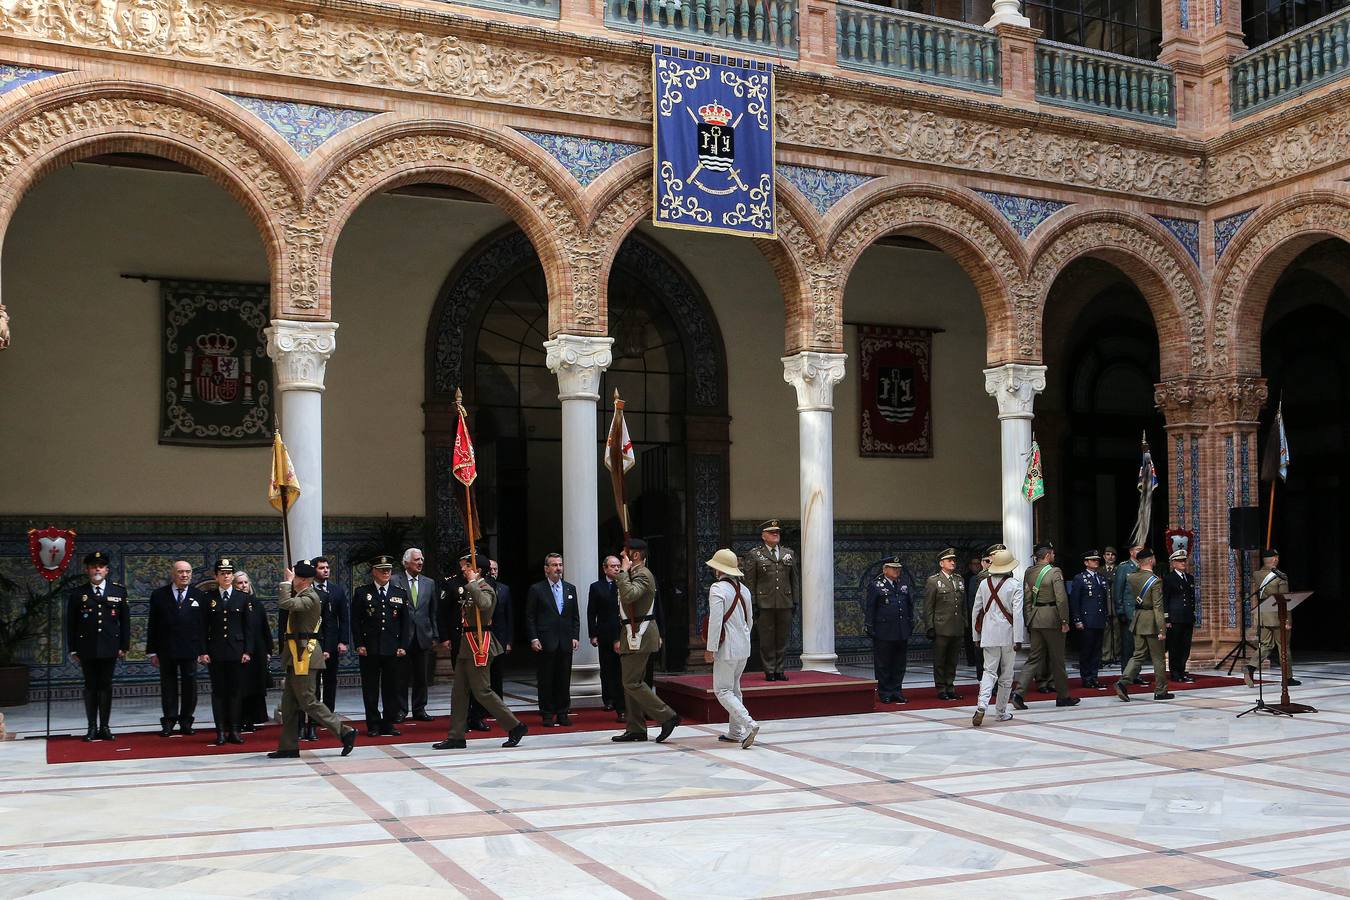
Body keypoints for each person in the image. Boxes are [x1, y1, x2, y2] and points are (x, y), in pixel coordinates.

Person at [432, 557, 527, 750]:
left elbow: (484, 605)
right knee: (459, 692)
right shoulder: (470, 587)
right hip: (466, 644)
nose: (464, 569)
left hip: (480, 645)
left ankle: (515, 726)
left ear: (479, 571)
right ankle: (456, 735)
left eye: (468, 566)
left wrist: (473, 582)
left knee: (482, 691)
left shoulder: (486, 588)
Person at [268, 559, 357, 759]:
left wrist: (285, 583)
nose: (293, 580)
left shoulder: (311, 597)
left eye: (296, 578)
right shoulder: (302, 594)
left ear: (304, 580)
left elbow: (286, 603)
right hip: (295, 655)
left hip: (305, 655)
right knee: (289, 704)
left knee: (308, 700)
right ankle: (288, 746)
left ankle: (345, 731)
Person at [612, 539, 681, 742]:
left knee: (631, 682)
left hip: (641, 633)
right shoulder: (634, 574)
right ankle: (636, 728)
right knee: (631, 683)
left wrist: (623, 572)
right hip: (631, 632)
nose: (621, 557)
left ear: (635, 555)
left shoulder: (643, 574)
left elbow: (629, 595)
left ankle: (667, 715)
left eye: (624, 553)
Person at [66, 551, 129, 741]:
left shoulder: (118, 591)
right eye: (93, 567)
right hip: (86, 647)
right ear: (87, 570)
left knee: (106, 686)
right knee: (90, 686)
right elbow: (71, 624)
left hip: (110, 647)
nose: (97, 570)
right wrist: (73, 648)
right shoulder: (78, 593)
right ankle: (92, 727)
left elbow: (125, 622)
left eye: (101, 566)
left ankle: (105, 727)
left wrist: (124, 646)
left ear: (107, 570)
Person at [704, 549, 759, 749]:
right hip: (743, 646)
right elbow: (749, 621)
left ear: (719, 569)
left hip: (726, 647)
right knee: (734, 688)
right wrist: (743, 638)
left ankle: (749, 724)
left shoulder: (717, 588)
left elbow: (715, 622)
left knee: (723, 690)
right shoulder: (744, 589)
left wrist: (710, 648)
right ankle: (735, 732)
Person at [1013, 543, 1079, 709]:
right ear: (1048, 555)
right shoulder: (1054, 571)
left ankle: (1018, 693)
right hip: (1052, 618)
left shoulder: (1029, 572)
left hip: (1036, 618)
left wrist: (1029, 619)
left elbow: (1027, 598)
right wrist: (1064, 621)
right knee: (1057, 659)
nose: (1054, 556)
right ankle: (1063, 696)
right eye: (1053, 554)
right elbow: (1061, 598)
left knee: (1033, 658)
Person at [292, 556, 350, 741]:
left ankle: (327, 718)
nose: (326, 570)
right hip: (311, 644)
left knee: (330, 682)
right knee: (312, 686)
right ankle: (308, 723)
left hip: (331, 644)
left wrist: (343, 641)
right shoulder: (306, 592)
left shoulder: (336, 591)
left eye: (327, 567)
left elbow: (343, 618)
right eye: (321, 568)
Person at [352, 555, 411, 736]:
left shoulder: (399, 593)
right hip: (370, 648)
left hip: (392, 648)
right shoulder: (362, 593)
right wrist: (359, 644)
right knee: (370, 689)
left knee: (391, 688)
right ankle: (373, 724)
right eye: (382, 570)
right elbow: (355, 621)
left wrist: (403, 645)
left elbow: (405, 623)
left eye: (388, 570)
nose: (386, 573)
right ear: (374, 572)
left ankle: (388, 723)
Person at [146, 559, 206, 736]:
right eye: (180, 572)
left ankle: (186, 721)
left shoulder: (199, 595)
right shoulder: (159, 595)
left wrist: (203, 650)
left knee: (190, 686)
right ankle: (169, 721)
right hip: (166, 648)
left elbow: (202, 626)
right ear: (173, 574)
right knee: (168, 685)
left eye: (188, 572)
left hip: (190, 649)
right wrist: (152, 651)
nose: (184, 575)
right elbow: (153, 624)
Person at [200, 558, 257, 746]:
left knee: (235, 692)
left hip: (236, 651)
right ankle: (220, 731)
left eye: (229, 573)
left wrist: (248, 651)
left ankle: (234, 730)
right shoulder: (208, 597)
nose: (226, 576)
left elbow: (249, 627)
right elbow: (202, 627)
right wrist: (203, 651)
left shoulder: (243, 598)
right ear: (216, 576)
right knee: (218, 692)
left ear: (233, 576)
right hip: (215, 651)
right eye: (222, 573)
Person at [525, 552, 580, 727]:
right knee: (546, 679)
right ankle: (547, 713)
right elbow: (530, 617)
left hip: (565, 640)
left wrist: (575, 636)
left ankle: (563, 712)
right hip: (545, 641)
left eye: (560, 565)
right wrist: (533, 638)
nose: (558, 568)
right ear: (546, 569)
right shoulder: (537, 589)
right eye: (554, 565)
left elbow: (575, 616)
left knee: (564, 679)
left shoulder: (570, 588)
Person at [741, 519, 799, 681]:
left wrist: (795, 600)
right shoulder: (755, 555)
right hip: (764, 603)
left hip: (785, 602)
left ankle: (780, 669)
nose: (775, 534)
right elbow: (750, 581)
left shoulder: (788, 553)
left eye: (777, 532)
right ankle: (769, 670)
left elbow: (794, 579)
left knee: (782, 638)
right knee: (766, 640)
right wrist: (753, 603)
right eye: (771, 532)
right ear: (763, 536)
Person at [437, 552, 489, 732]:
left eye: (469, 565)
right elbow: (442, 612)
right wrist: (445, 636)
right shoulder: (452, 583)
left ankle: (476, 717)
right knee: (462, 682)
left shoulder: (483, 584)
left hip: (479, 639)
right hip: (459, 638)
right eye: (465, 565)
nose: (465, 568)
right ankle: (463, 718)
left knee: (479, 681)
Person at [971, 547, 1024, 726]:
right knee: (1006, 675)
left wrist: (976, 636)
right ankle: (1000, 712)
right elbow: (1018, 614)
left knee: (989, 671)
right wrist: (1019, 638)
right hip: (1008, 634)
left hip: (988, 634)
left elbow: (976, 611)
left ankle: (981, 705)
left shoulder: (983, 584)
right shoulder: (1015, 585)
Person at [1114, 548, 1174, 702]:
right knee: (1158, 658)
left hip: (1139, 619)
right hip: (1152, 621)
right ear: (1150, 560)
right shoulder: (1155, 580)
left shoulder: (1132, 577)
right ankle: (1161, 690)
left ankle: (1123, 682)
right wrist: (1162, 629)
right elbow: (1158, 607)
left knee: (1138, 655)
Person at [392, 547, 438, 722]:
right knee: (400, 677)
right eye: (417, 559)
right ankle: (401, 710)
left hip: (423, 636)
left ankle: (420, 709)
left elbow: (432, 611)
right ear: (406, 562)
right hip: (402, 637)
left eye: (421, 559)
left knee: (422, 677)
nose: (420, 562)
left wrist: (435, 635)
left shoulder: (429, 583)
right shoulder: (395, 580)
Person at [864, 556, 914, 704]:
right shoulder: (876, 585)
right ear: (885, 569)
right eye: (893, 568)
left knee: (899, 664)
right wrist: (869, 626)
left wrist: (910, 623)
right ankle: (885, 692)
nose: (897, 571)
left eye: (898, 568)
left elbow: (909, 606)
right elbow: (870, 608)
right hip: (884, 631)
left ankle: (897, 691)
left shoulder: (903, 585)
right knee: (883, 664)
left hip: (901, 630)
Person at [1249, 548, 1299, 687]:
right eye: (1277, 558)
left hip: (1263, 615)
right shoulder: (1280, 576)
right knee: (1284, 646)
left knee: (1266, 645)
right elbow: (1284, 600)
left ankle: (1250, 667)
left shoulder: (1257, 574)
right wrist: (1287, 620)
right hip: (1278, 616)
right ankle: (1287, 678)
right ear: (1275, 559)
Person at [232, 570, 273, 732]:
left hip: (258, 650)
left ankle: (252, 719)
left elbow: (264, 628)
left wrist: (268, 650)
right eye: (239, 583)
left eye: (245, 582)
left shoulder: (256, 604)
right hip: (239, 650)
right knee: (241, 686)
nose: (243, 585)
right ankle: (238, 720)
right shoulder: (233, 603)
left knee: (255, 686)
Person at [923, 548, 966, 700]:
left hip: (957, 626)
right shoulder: (934, 581)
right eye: (949, 560)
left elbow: (963, 605)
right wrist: (930, 626)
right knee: (940, 660)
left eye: (954, 560)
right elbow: (928, 606)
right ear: (941, 563)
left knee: (952, 660)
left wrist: (965, 623)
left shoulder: (959, 580)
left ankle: (950, 686)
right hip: (941, 627)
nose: (953, 562)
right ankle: (941, 688)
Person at [588, 555, 625, 722]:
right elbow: (591, 612)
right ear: (605, 568)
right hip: (604, 632)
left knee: (619, 670)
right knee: (606, 668)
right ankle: (608, 699)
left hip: (621, 632)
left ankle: (620, 702)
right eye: (613, 566)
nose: (616, 569)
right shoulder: (596, 587)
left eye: (618, 566)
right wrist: (593, 634)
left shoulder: (623, 585)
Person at [1068, 550, 1109, 689]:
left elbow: (1103, 600)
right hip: (1086, 620)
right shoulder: (1080, 578)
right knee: (1087, 650)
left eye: (1097, 560)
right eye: (1092, 560)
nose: (1096, 562)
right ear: (1086, 562)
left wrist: (1105, 616)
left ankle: (1094, 677)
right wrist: (1077, 619)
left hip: (1099, 619)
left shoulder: (1101, 578)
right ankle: (1086, 678)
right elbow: (1075, 601)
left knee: (1097, 650)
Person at [1163, 549, 1197, 683]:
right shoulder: (1168, 578)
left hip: (1187, 617)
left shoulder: (1189, 578)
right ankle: (1175, 672)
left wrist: (1193, 613)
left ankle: (1182, 670)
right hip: (1175, 618)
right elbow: (1165, 599)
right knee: (1174, 646)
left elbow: (1192, 598)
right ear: (1173, 563)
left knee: (1185, 646)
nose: (1183, 563)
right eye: (1180, 561)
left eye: (1184, 560)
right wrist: (1167, 618)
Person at [485, 559, 514, 708]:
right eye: (490, 569)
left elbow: (509, 616)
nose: (493, 572)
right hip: (484, 637)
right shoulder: (481, 588)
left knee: (497, 674)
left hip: (500, 638)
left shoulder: (504, 589)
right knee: (485, 675)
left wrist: (509, 641)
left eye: (495, 569)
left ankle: (498, 705)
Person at [1114, 545, 1144, 681]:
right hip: (1128, 612)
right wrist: (1120, 611)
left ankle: (1136, 674)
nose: (1140, 552)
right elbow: (1118, 590)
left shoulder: (1143, 567)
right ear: (1131, 552)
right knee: (1128, 645)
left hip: (1141, 612)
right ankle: (1127, 675)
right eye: (1137, 549)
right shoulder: (1124, 567)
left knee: (1139, 646)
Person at [963, 554, 985, 680]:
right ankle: (971, 660)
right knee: (971, 639)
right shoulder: (967, 579)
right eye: (974, 564)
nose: (976, 566)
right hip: (971, 612)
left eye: (978, 564)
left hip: (982, 616)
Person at [1100, 547, 1120, 668]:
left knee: (1117, 632)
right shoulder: (1099, 570)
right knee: (1106, 632)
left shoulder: (1119, 570)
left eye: (1112, 555)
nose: (1110, 557)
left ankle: (1116, 655)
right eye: (1107, 554)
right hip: (1104, 605)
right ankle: (1106, 656)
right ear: (1104, 556)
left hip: (1116, 605)